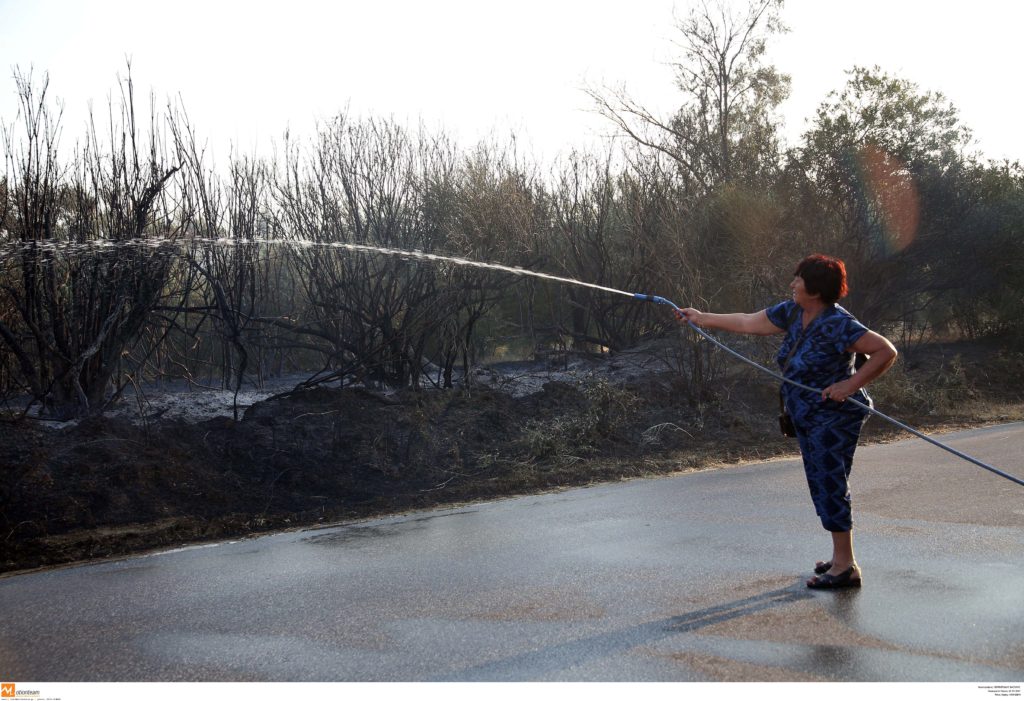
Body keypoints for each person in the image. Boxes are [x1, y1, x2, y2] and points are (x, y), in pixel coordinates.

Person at [677, 254, 897, 589]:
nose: (792, 283)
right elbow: (749, 322)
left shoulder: (839, 324)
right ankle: (841, 558)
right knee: (824, 483)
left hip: (835, 415)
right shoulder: (792, 311)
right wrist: (701, 317)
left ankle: (845, 567)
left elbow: (885, 351)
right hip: (805, 413)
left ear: (816, 289)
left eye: (798, 279)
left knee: (830, 483)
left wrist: (849, 385)